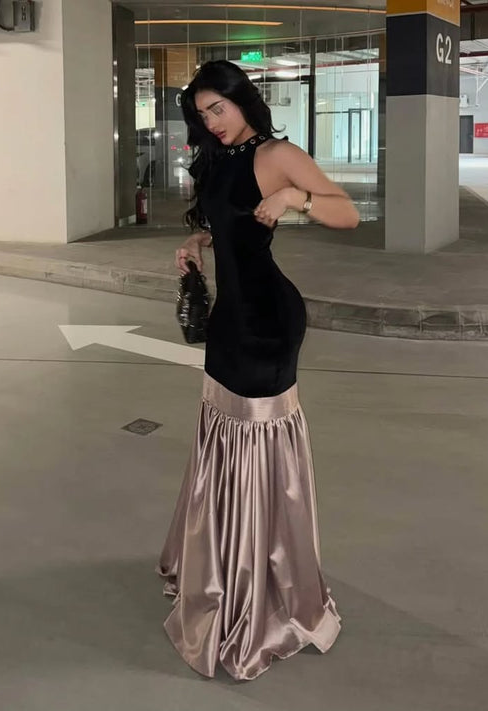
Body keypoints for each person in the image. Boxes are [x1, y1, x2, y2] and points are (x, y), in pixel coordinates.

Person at [156, 59, 359, 682]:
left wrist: (296, 197)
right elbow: (231, 225)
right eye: (202, 113)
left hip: (267, 321)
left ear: (243, 99)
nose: (212, 121)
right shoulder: (218, 158)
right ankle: (222, 566)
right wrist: (199, 242)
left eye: (218, 107)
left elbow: (347, 213)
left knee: (257, 443)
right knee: (224, 436)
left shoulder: (277, 154)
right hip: (229, 320)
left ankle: (261, 586)